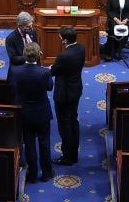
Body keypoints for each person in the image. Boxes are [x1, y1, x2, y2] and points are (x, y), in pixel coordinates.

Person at [8, 42, 54, 183]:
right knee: (44, 143)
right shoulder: (45, 72)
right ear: (39, 54)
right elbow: (49, 88)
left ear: (24, 55)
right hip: (41, 112)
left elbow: (11, 86)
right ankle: (46, 173)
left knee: (29, 144)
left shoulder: (15, 71)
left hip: (24, 112)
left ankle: (32, 174)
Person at [50, 26, 84, 166]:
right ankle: (73, 154)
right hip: (75, 90)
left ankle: (67, 157)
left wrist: (51, 68)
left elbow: (53, 72)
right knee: (73, 121)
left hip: (63, 95)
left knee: (65, 126)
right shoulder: (81, 48)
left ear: (64, 40)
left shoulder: (63, 56)